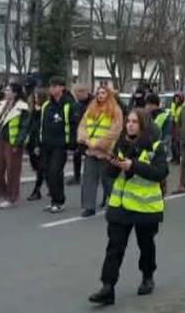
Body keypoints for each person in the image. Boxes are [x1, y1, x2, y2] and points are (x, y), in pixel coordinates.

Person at [88, 109, 169, 306]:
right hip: (120, 204)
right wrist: (113, 163)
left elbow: (160, 172)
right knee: (114, 247)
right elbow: (110, 174)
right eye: (128, 121)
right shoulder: (121, 143)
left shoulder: (155, 146)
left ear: (143, 124)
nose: (130, 125)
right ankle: (108, 287)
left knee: (146, 245)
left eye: (134, 122)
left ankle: (147, 276)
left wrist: (132, 166)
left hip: (145, 206)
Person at [78, 85, 124, 217]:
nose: (100, 95)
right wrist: (85, 140)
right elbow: (83, 126)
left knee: (108, 179)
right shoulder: (91, 109)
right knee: (88, 179)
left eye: (103, 93)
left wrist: (99, 144)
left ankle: (115, 203)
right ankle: (89, 207)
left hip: (106, 151)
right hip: (90, 150)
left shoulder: (115, 110)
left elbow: (115, 131)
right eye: (98, 93)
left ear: (108, 95)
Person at [35, 77, 77, 214]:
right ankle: (54, 199)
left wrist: (72, 145)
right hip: (46, 144)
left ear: (62, 88)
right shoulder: (46, 105)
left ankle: (59, 201)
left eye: (55, 86)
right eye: (51, 86)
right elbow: (40, 126)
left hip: (60, 145)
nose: (51, 89)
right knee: (46, 172)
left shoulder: (69, 105)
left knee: (55, 171)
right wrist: (38, 143)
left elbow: (73, 126)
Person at [0, 83, 30, 209]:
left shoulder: (23, 107)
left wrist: (19, 142)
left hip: (13, 141)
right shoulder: (1, 105)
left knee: (13, 170)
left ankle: (12, 197)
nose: (6, 92)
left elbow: (24, 127)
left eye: (9, 90)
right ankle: (0, 195)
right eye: (6, 90)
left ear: (15, 93)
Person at [26, 88, 48, 201]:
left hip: (39, 142)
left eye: (37, 97)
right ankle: (50, 186)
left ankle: (37, 190)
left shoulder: (45, 109)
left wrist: (38, 145)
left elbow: (41, 127)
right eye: (34, 97)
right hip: (31, 140)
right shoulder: (32, 109)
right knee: (36, 166)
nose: (35, 99)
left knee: (41, 167)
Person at [70, 84, 92, 185]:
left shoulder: (95, 103)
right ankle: (77, 176)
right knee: (77, 154)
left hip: (93, 135)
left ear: (84, 92)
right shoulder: (76, 105)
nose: (76, 96)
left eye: (78, 94)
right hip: (80, 135)